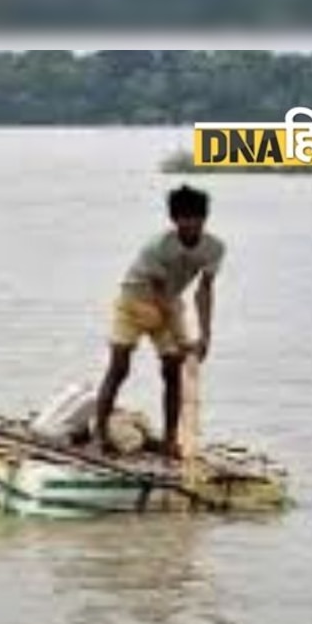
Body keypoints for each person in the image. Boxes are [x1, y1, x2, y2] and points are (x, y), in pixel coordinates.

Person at [94, 185, 225, 460]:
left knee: (172, 369)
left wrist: (205, 336)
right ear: (174, 220)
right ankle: (100, 436)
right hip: (134, 302)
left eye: (196, 218)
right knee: (119, 367)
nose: (190, 224)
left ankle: (170, 440)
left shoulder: (214, 248)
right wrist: (183, 340)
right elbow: (159, 293)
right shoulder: (159, 246)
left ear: (204, 218)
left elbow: (204, 291)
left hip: (169, 303)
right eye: (184, 218)